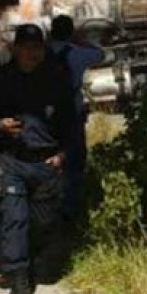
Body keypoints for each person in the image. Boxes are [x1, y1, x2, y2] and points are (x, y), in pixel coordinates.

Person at [0, 23, 75, 294]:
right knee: (15, 221)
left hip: (46, 163)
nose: (32, 53)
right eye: (26, 47)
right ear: (15, 48)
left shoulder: (56, 81)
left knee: (43, 224)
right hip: (12, 161)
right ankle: (19, 286)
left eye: (37, 47)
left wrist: (64, 154)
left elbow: (73, 122)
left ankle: (28, 263)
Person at [47, 15, 105, 220]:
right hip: (71, 116)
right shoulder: (78, 54)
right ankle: (70, 211)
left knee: (44, 159)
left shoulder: (39, 53)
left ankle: (45, 205)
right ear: (70, 32)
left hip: (42, 119)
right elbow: (100, 54)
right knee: (74, 164)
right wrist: (80, 39)